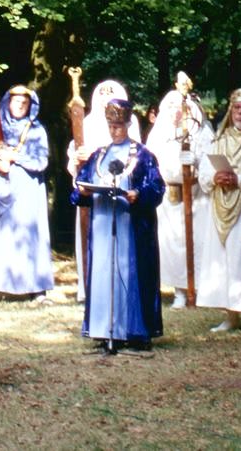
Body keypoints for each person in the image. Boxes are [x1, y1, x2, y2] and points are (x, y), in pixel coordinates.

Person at [73, 98, 165, 354]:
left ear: (128, 124)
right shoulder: (98, 155)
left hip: (130, 225)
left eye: (120, 126)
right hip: (103, 222)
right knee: (104, 270)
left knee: (128, 269)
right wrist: (82, 192)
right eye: (111, 126)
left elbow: (157, 188)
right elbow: (80, 185)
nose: (115, 131)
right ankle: (105, 329)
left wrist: (138, 194)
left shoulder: (143, 156)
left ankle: (133, 330)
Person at [194, 88, 241, 332]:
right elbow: (203, 172)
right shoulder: (219, 139)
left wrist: (238, 179)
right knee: (223, 259)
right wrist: (216, 177)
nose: (240, 113)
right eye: (237, 108)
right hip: (219, 204)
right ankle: (230, 314)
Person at [0, 85, 54, 299]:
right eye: (16, 101)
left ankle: (35, 288)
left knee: (29, 235)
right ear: (8, 102)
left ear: (30, 105)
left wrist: (15, 158)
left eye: (24, 103)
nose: (20, 106)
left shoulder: (36, 130)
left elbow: (41, 162)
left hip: (27, 190)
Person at [68, 80, 142, 302]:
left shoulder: (130, 122)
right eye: (101, 99)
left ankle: (121, 287)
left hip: (119, 193)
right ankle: (88, 287)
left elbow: (134, 154)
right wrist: (77, 159)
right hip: (93, 197)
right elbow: (75, 153)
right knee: (91, 240)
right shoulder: (86, 122)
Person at [145, 74, 214, 309]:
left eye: (180, 107)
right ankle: (179, 292)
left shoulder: (200, 132)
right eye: (171, 106)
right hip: (169, 197)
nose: (176, 111)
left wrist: (195, 162)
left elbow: (210, 160)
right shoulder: (159, 134)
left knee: (196, 243)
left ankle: (197, 289)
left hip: (196, 197)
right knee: (172, 245)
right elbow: (150, 162)